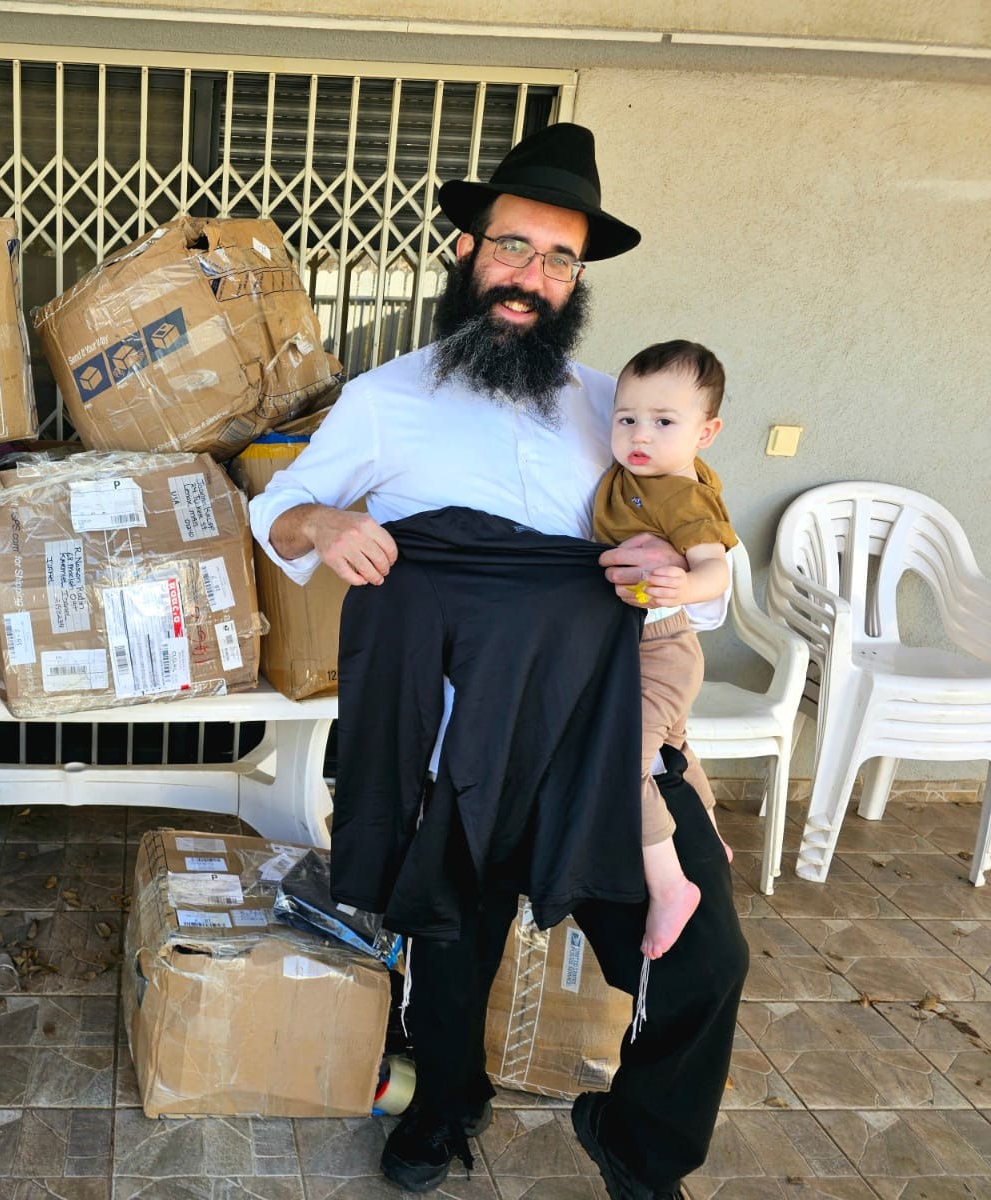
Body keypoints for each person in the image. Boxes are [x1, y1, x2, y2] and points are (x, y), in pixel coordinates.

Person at [249, 123, 750, 1200]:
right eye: (513, 248)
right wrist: (328, 524)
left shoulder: (619, 405)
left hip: (599, 734)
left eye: (557, 260)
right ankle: (446, 1102)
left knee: (703, 957)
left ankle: (636, 1141)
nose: (531, 277)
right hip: (450, 731)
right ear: (466, 251)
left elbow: (698, 550)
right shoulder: (388, 398)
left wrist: (674, 566)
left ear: (577, 280)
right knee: (452, 943)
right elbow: (274, 512)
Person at [592, 340, 739, 961]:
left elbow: (717, 570)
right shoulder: (645, 477)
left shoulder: (682, 494)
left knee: (623, 759)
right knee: (673, 744)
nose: (639, 435)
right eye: (626, 418)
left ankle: (670, 884)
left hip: (659, 647)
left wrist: (686, 581)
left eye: (663, 422)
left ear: (706, 432)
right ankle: (710, 834)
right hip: (643, 643)